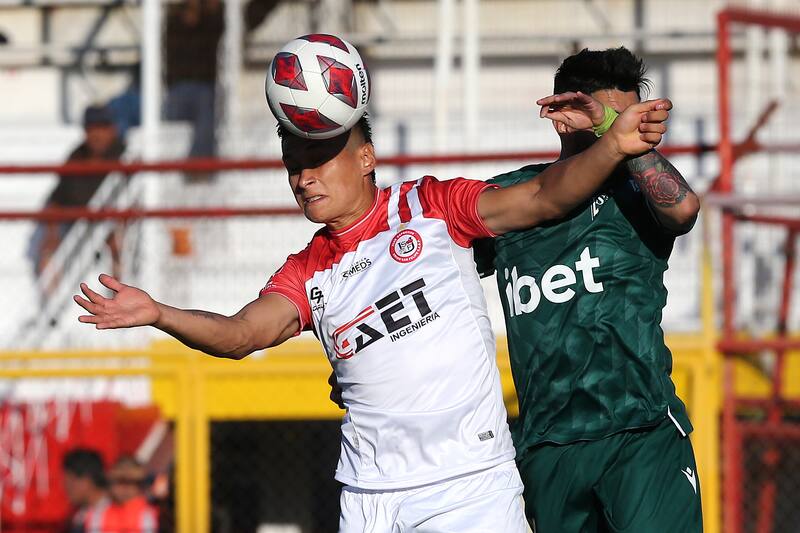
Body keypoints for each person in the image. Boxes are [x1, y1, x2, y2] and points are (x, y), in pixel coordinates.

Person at [75, 65, 670, 530]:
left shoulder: (433, 207)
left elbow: (542, 197)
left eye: (317, 160)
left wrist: (613, 146)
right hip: (369, 495)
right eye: (292, 165)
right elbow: (241, 335)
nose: (303, 176)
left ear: (366, 158)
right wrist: (158, 313)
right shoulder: (309, 268)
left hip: (468, 485)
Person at [472, 47, 703, 532]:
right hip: (549, 446)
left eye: (628, 118)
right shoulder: (510, 200)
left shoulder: (640, 193)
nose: (624, 130)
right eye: (612, 118)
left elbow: (683, 210)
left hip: (642, 435)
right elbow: (437, 278)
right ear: (562, 117)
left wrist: (609, 133)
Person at [28, 104, 126, 294]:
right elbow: (57, 198)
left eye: (102, 126)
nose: (97, 134)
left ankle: (119, 301)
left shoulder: (124, 155)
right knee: (46, 249)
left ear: (112, 129)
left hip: (112, 225)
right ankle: (49, 309)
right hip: (76, 224)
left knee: (118, 241)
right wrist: (51, 235)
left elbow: (133, 202)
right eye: (92, 127)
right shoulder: (76, 156)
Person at [62, 449, 111, 533]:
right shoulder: (79, 516)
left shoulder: (113, 514)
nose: (66, 488)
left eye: (71, 481)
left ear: (88, 479)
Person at [105, 456, 159, 533]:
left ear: (140, 485)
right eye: (120, 481)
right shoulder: (98, 514)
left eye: (130, 482)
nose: (124, 488)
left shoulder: (152, 515)